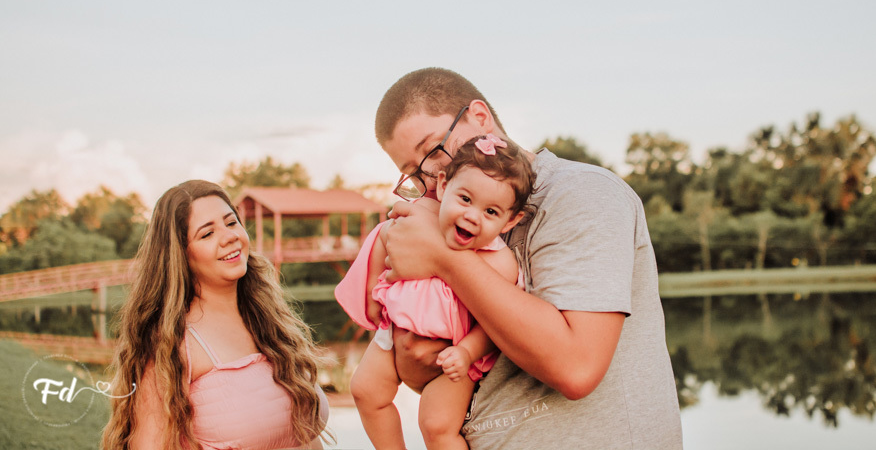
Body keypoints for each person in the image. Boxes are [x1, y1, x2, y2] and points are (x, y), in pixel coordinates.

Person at [373, 67, 683, 449]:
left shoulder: (582, 194)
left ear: (480, 118)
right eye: (413, 174)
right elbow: (421, 364)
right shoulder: (447, 222)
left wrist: (444, 260)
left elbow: (576, 367)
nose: (433, 174)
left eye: (434, 150)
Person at [336, 134, 533, 450]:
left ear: (511, 221)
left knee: (436, 424)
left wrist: (466, 352)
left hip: (453, 356)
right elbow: (386, 234)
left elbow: (494, 324)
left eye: (491, 212)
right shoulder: (422, 215)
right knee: (365, 390)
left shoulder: (499, 262)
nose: (472, 215)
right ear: (443, 186)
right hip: (393, 333)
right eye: (465, 199)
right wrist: (374, 285)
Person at [101, 180, 330, 450]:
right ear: (181, 256)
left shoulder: (270, 323)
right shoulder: (172, 346)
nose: (229, 236)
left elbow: (306, 436)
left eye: (231, 223)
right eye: (207, 234)